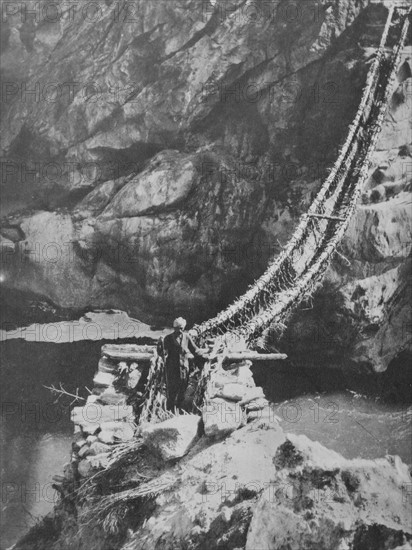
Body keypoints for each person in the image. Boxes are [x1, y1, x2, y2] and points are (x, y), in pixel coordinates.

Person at [158, 317, 208, 411]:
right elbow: (163, 353)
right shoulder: (168, 338)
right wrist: (161, 349)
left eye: (182, 328)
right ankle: (170, 410)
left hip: (184, 369)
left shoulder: (186, 337)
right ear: (174, 328)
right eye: (178, 328)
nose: (180, 330)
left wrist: (204, 354)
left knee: (182, 389)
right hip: (172, 369)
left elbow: (195, 350)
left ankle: (179, 409)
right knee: (172, 391)